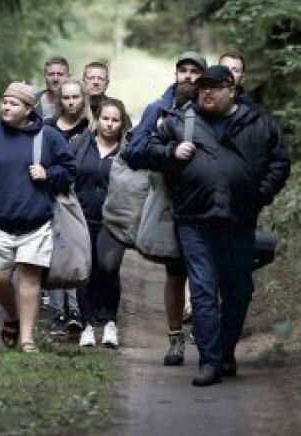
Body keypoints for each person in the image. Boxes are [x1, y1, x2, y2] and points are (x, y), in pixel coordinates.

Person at [132, 64, 290, 386]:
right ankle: (209, 361)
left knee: (237, 291)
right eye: (203, 86)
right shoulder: (180, 120)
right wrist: (170, 151)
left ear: (231, 90)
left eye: (214, 87)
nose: (206, 91)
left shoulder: (257, 122)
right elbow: (138, 151)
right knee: (203, 291)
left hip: (239, 220)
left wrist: (261, 194)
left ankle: (226, 350)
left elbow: (280, 161)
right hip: (194, 220)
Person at [0, 82, 77, 353]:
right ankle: (12, 315)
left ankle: (27, 339)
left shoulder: (47, 137)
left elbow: (70, 169)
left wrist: (49, 174)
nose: (6, 107)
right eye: (4, 101)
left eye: (13, 103)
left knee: (29, 278)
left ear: (28, 109)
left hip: (36, 222)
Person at [124, 50, 206, 368]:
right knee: (175, 274)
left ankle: (206, 333)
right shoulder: (158, 110)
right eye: (182, 70)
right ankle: (175, 340)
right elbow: (134, 151)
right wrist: (170, 151)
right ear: (175, 74)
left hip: (206, 205)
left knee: (206, 273)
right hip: (170, 204)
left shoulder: (212, 110)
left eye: (194, 71)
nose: (187, 76)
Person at [71, 98, 131, 348]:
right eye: (105, 119)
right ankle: (87, 326)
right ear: (97, 120)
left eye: (115, 120)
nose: (109, 124)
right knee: (85, 272)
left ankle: (109, 322)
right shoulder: (79, 145)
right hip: (82, 218)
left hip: (113, 221)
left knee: (108, 268)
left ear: (121, 123)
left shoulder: (127, 151)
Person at [44, 78, 95, 335]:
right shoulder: (47, 129)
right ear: (59, 100)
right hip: (52, 196)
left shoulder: (91, 129)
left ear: (83, 99)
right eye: (66, 97)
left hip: (81, 200)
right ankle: (56, 311)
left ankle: (75, 309)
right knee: (53, 251)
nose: (71, 102)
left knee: (75, 252)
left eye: (76, 97)